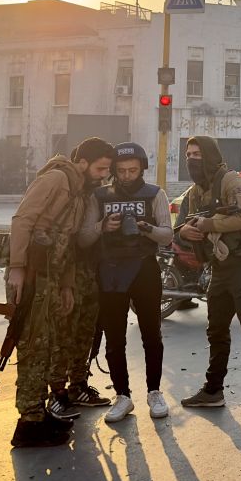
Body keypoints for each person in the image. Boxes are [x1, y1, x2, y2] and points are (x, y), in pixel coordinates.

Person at [5, 137, 115, 447]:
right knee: (34, 346)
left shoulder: (79, 193)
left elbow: (66, 244)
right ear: (82, 163)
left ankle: (39, 413)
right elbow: (22, 219)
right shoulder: (56, 179)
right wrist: (17, 268)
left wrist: (66, 285)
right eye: (100, 168)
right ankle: (29, 422)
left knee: (50, 343)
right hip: (32, 275)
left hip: (53, 277)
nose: (104, 175)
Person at [178, 135, 241, 422]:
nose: (192, 159)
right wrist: (187, 231)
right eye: (188, 154)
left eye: (197, 153)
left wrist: (208, 224)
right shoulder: (195, 192)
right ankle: (213, 390)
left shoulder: (230, 181)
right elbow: (180, 226)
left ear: (210, 154)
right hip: (219, 269)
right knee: (216, 331)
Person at [77, 143, 173, 423]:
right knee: (114, 337)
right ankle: (123, 396)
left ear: (142, 168)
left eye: (133, 170)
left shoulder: (155, 194)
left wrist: (147, 228)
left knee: (151, 334)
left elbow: (167, 235)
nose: (127, 175)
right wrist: (102, 227)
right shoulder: (100, 195)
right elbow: (83, 238)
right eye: (121, 171)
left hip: (144, 268)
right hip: (110, 271)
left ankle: (155, 392)